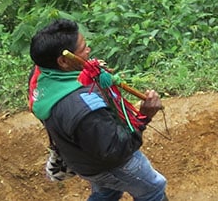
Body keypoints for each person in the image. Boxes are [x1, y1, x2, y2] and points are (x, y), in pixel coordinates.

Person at [28, 18, 168, 201]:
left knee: (106, 191)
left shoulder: (41, 77)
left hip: (84, 158)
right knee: (153, 189)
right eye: (83, 48)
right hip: (109, 164)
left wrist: (95, 74)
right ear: (63, 61)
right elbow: (117, 151)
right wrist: (144, 117)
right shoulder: (85, 109)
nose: (88, 51)